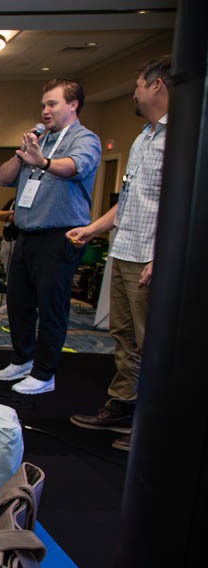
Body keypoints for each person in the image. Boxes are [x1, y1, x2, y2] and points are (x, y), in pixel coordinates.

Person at [67, 56, 169, 450]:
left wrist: (163, 255)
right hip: (124, 250)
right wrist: (92, 229)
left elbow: (180, 205)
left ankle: (152, 426)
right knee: (123, 335)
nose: (135, 93)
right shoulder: (143, 138)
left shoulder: (180, 139)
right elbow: (128, 203)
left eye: (139, 85)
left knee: (150, 342)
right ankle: (123, 406)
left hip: (150, 257)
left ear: (157, 85)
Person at [0, 78, 102, 395]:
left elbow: (74, 167)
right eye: (43, 105)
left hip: (59, 235)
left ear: (73, 105)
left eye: (52, 104)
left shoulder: (85, 139)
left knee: (51, 306)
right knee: (18, 303)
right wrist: (23, 154)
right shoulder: (39, 140)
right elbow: (3, 177)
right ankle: (23, 359)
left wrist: (42, 161)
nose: (45, 110)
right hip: (26, 234)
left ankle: (44, 373)